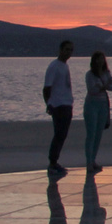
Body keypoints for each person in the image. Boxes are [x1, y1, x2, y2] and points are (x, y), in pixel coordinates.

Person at [43, 40, 74, 176]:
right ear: (60, 50)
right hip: (58, 105)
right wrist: (49, 103)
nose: (68, 53)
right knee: (59, 134)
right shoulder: (54, 66)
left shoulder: (65, 66)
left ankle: (55, 162)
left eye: (70, 50)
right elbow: (46, 87)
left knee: (63, 135)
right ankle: (52, 163)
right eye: (66, 49)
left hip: (67, 103)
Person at [83, 51, 112, 173]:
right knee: (91, 134)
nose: (100, 61)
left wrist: (104, 85)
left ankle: (94, 160)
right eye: (98, 59)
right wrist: (105, 85)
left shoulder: (106, 73)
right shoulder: (90, 75)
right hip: (92, 105)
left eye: (102, 59)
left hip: (103, 105)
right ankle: (89, 162)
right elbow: (92, 90)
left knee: (98, 134)